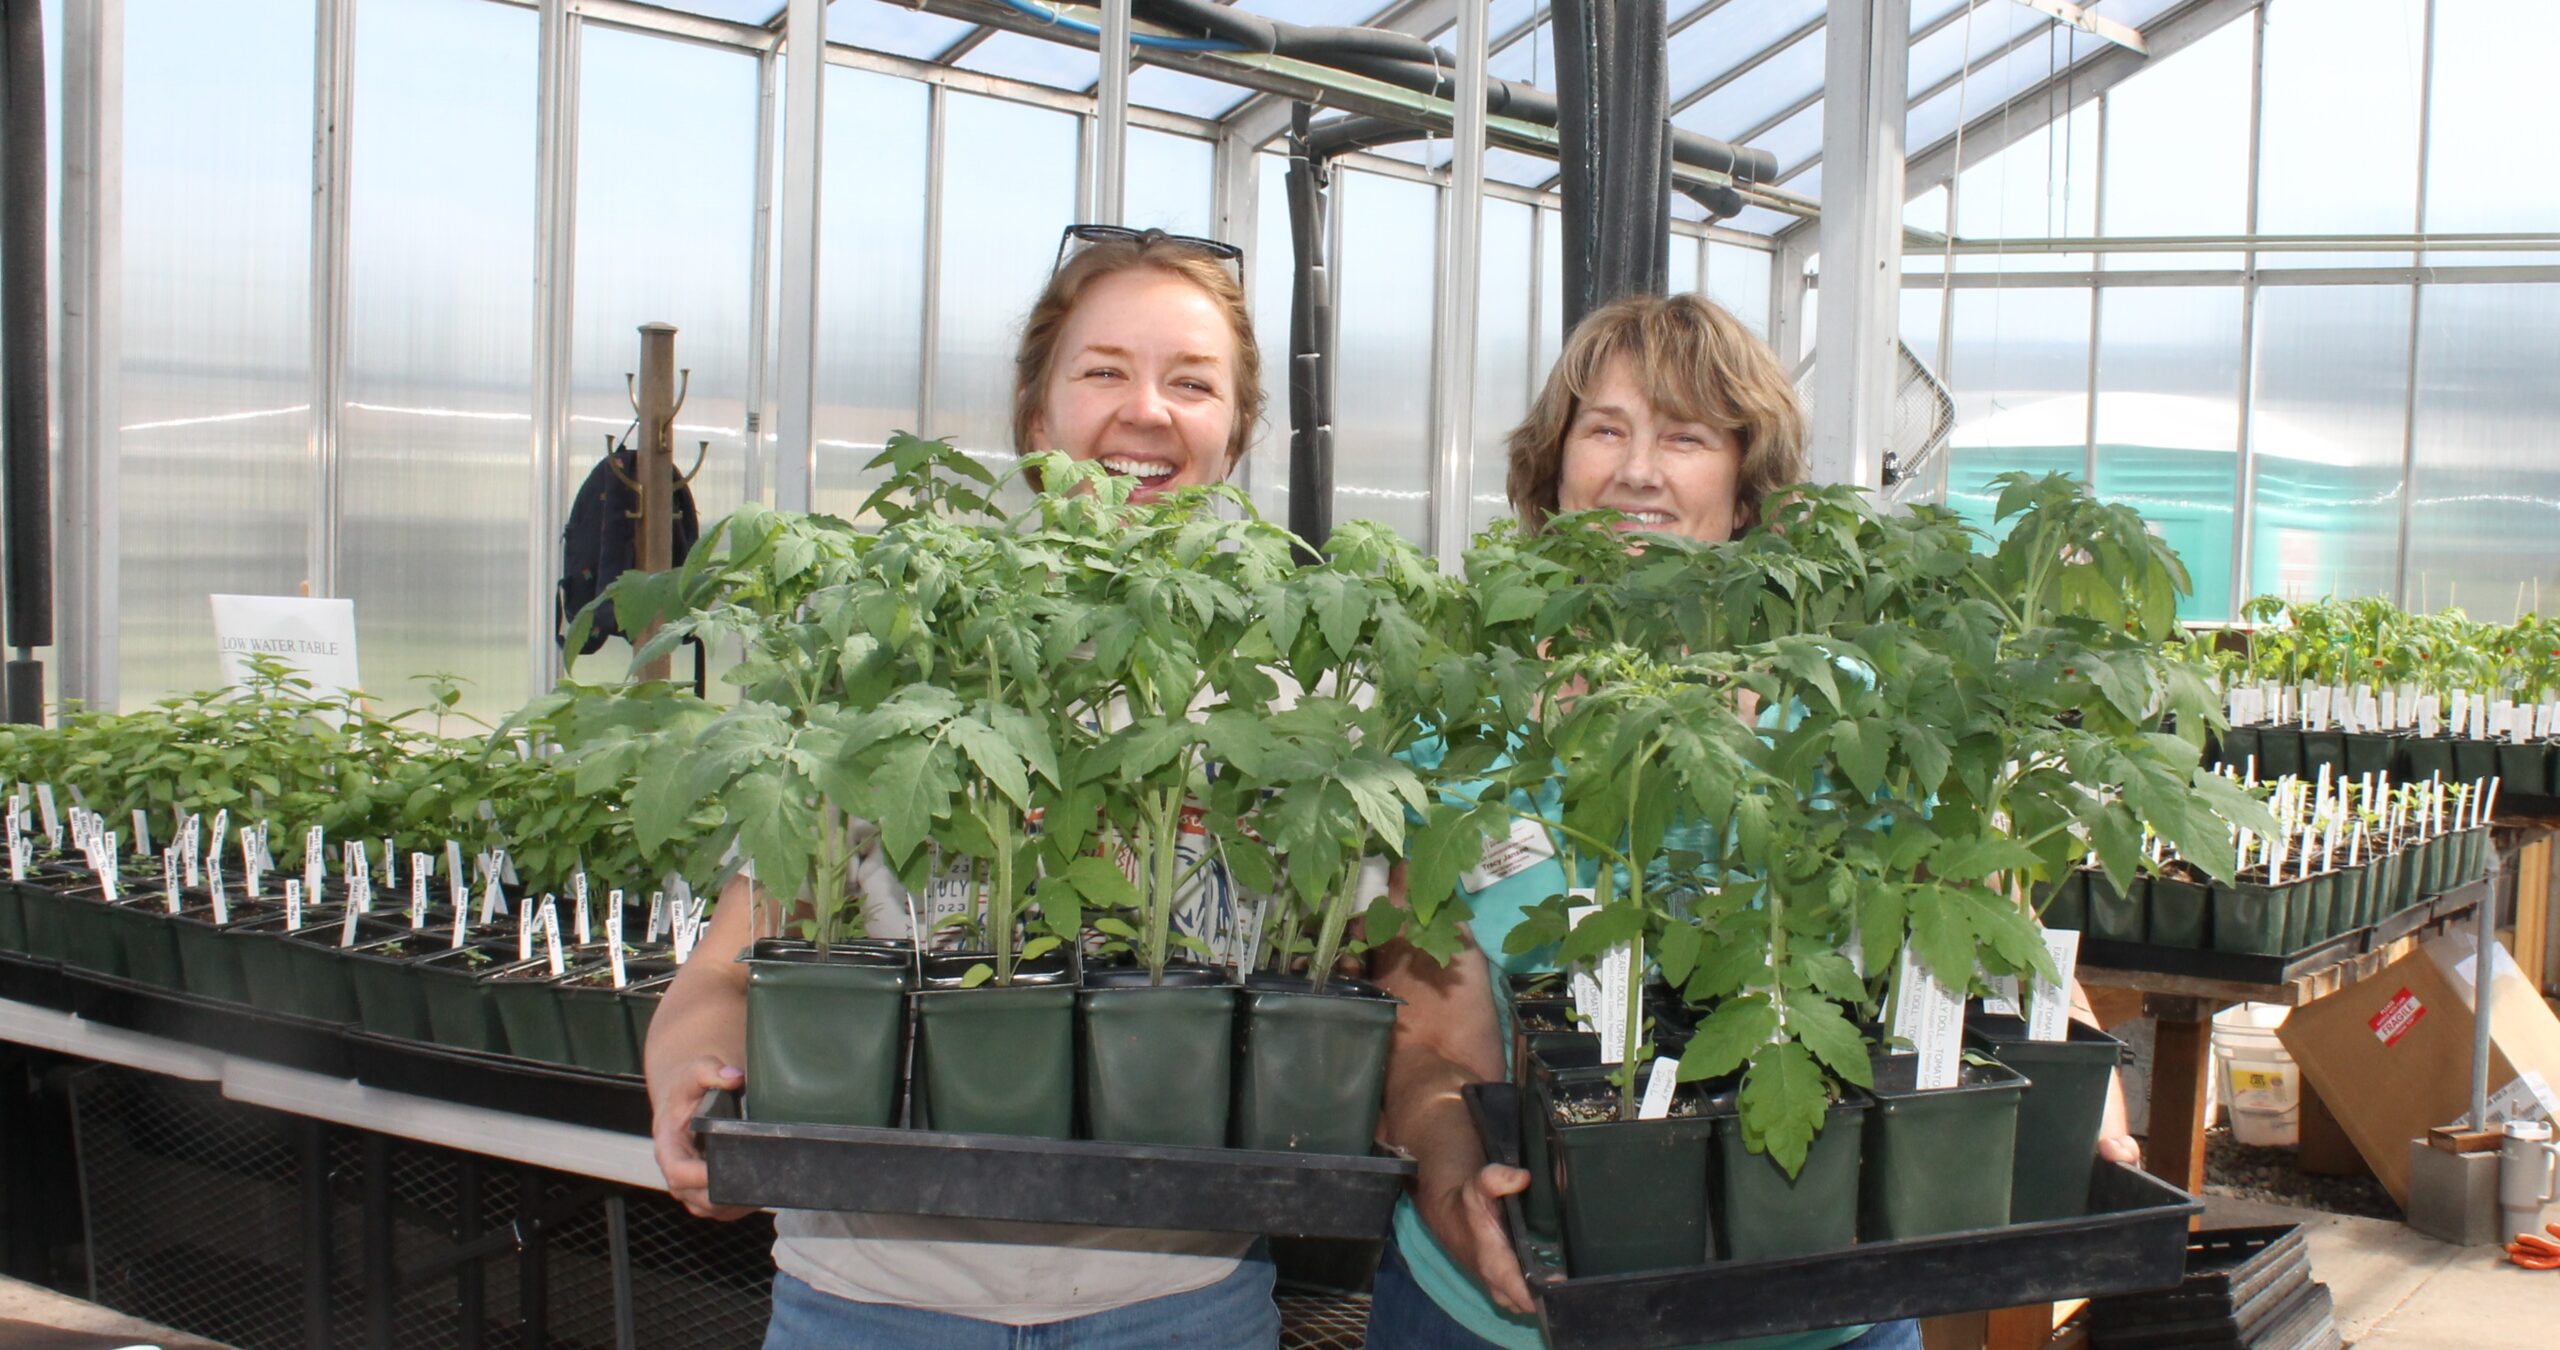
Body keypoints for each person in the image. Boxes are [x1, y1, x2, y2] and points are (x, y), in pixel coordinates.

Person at [1361, 292, 2140, 1350]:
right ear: (1553, 470)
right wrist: (1454, 1176)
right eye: (1605, 429)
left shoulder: (1854, 710)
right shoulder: (1464, 720)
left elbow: (1978, 932)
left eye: (1684, 436)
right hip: (1506, 1313)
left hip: (1817, 1313)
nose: (1638, 470)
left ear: (1743, 495)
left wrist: (2080, 1103)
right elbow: (1430, 1030)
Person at [644, 225, 1283, 1349]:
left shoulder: (1277, 708)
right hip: (870, 1294)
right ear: (1038, 417)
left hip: (1176, 1304)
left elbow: (1384, 996)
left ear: (1234, 434)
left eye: (1193, 383)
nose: (1147, 411)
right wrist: (691, 1076)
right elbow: (726, 970)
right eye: (1102, 372)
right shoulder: (891, 663)